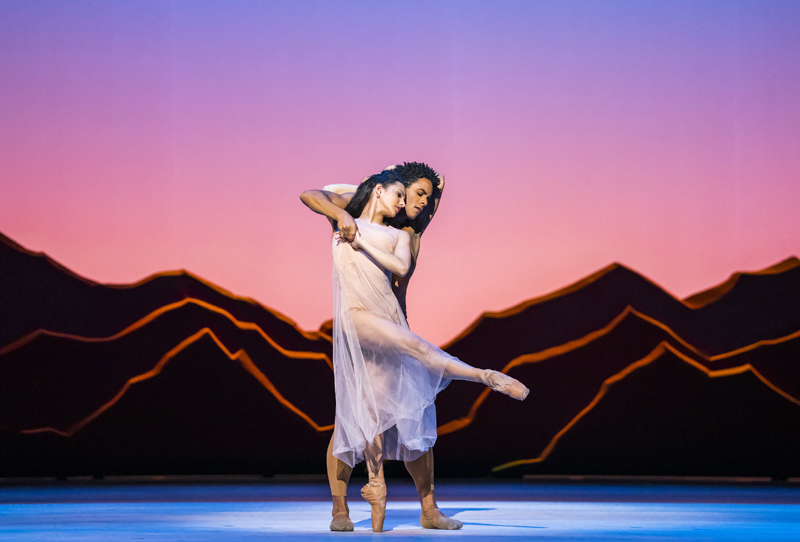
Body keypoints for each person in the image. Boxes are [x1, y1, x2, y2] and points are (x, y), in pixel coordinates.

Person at [301, 169, 528, 533]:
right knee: (355, 415)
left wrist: (425, 192)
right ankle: (340, 508)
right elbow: (314, 194)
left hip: (393, 321)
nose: (423, 203)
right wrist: (344, 215)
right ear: (394, 190)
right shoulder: (357, 208)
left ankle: (428, 508)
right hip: (360, 322)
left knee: (413, 412)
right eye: (417, 194)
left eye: (426, 198)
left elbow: (404, 262)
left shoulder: (407, 233)